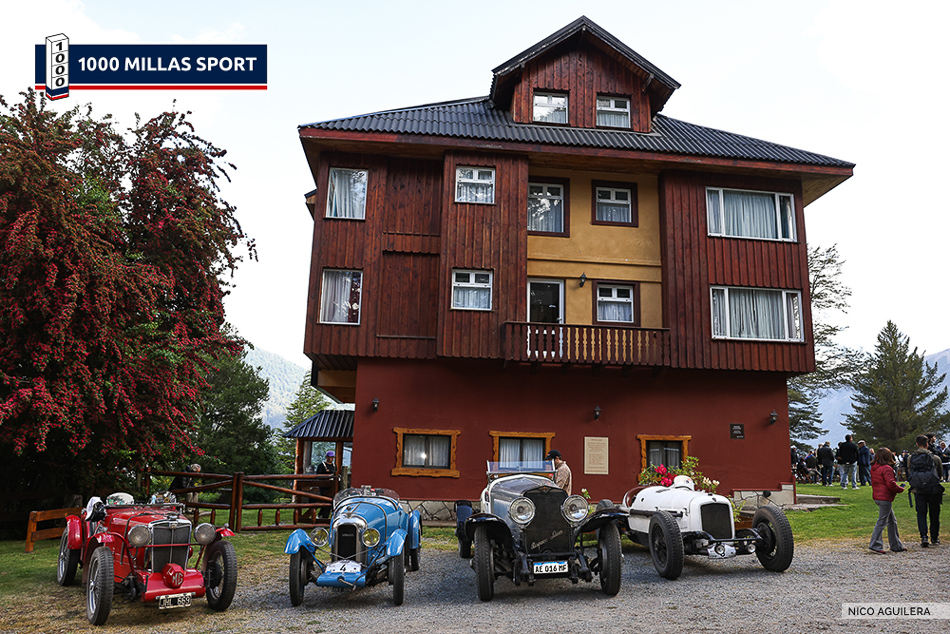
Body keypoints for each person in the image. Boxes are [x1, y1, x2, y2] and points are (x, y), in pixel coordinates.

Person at [907, 434, 944, 547]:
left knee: (921, 514)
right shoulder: (935, 458)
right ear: (927, 444)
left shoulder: (911, 458)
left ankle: (923, 536)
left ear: (917, 444)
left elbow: (910, 472)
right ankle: (934, 537)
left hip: (918, 489)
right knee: (934, 514)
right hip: (933, 489)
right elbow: (940, 474)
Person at [868, 447, 905, 554]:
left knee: (892, 521)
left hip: (877, 497)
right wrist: (899, 489)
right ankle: (875, 544)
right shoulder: (886, 468)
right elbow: (890, 483)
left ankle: (896, 545)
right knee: (882, 521)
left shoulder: (874, 468)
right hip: (885, 498)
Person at [315, 450, 337, 519]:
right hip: (324, 486)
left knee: (331, 501)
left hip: (332, 486)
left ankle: (324, 516)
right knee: (325, 500)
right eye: (331, 457)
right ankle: (323, 515)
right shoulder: (321, 465)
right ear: (327, 457)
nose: (332, 459)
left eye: (333, 457)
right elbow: (318, 476)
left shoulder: (334, 466)